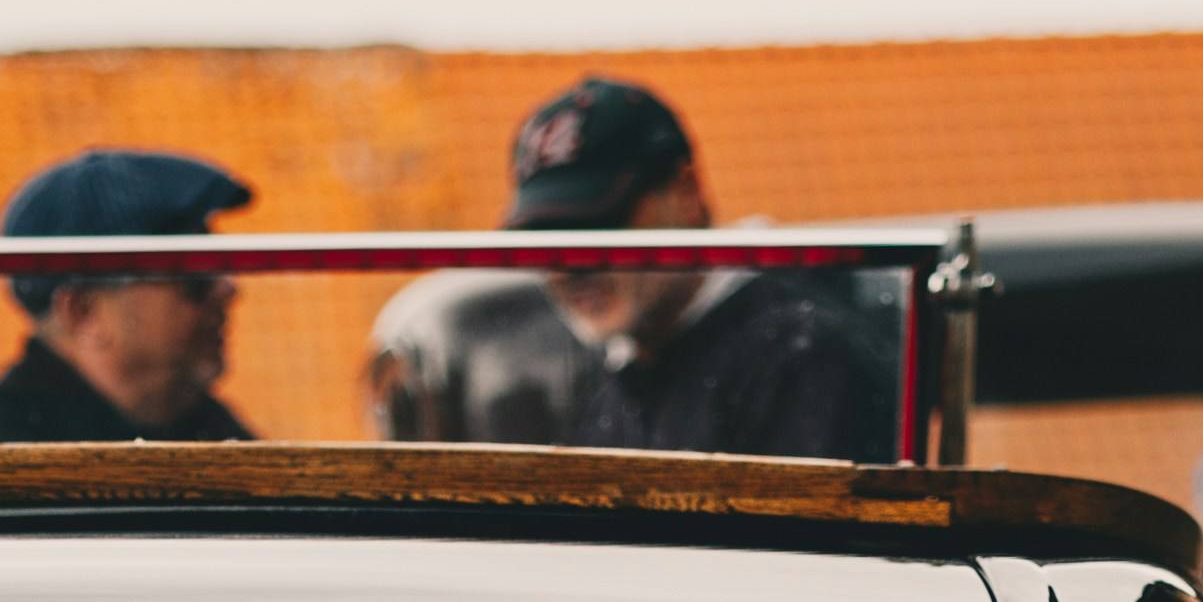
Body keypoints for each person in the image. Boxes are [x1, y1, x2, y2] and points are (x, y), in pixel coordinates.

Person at [369, 76, 880, 457]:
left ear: (686, 194)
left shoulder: (801, 359)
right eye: (543, 242)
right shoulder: (628, 357)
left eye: (597, 226)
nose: (568, 266)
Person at [0, 148, 258, 442]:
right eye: (191, 273)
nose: (227, 288)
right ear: (83, 312)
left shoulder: (207, 429)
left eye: (219, 263)